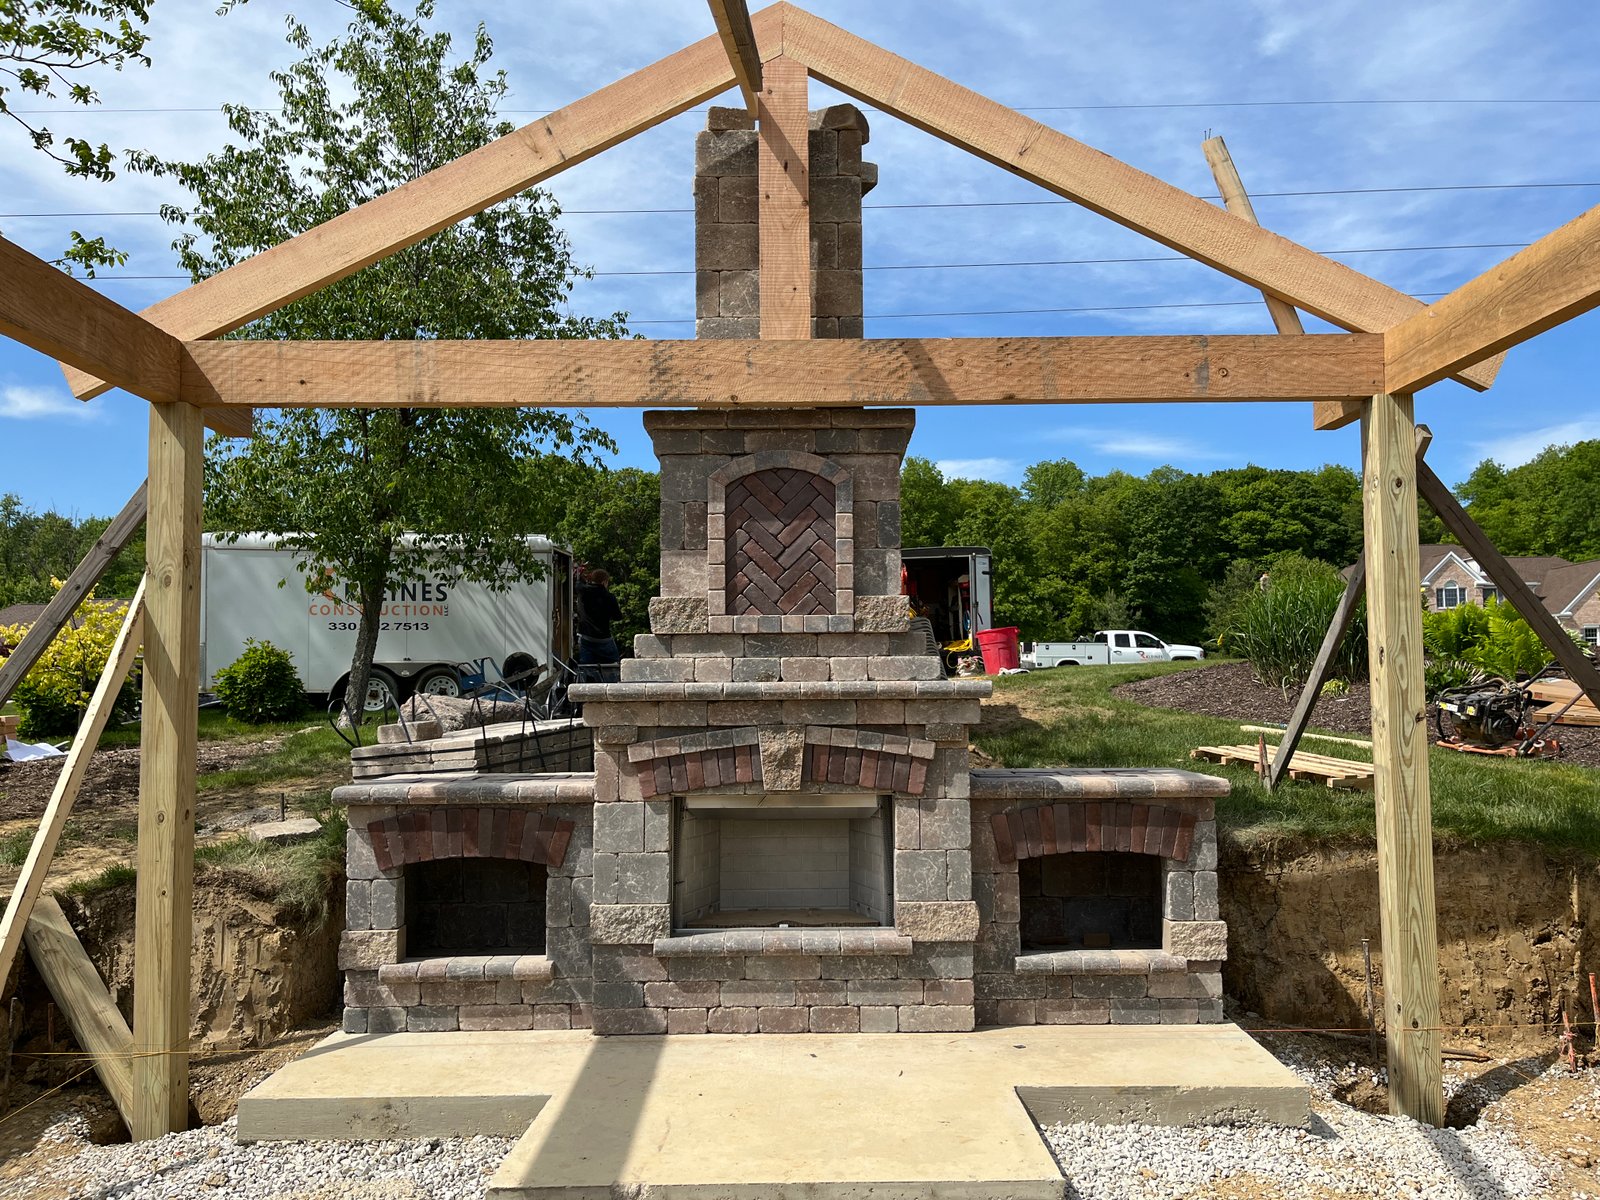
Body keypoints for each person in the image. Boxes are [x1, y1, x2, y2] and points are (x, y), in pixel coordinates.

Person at [575, 567, 624, 683]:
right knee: (613, 666)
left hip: (586, 638)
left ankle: (588, 688)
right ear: (604, 582)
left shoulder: (583, 591)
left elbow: (578, 583)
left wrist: (580, 574)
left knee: (586, 669)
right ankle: (611, 686)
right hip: (604, 638)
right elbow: (618, 617)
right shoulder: (609, 597)